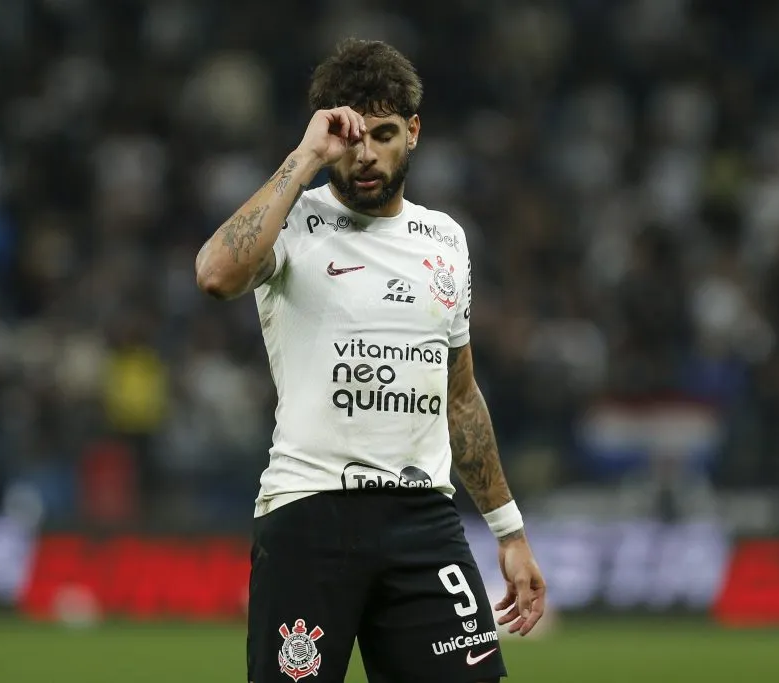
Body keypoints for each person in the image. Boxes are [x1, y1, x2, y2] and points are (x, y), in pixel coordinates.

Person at [196, 38, 547, 683]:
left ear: (412, 132)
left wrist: (509, 531)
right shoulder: (294, 220)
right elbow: (216, 274)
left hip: (423, 524)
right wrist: (304, 158)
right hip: (311, 516)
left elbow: (460, 395)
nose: (365, 156)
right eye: (349, 136)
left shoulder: (445, 240)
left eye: (384, 134)